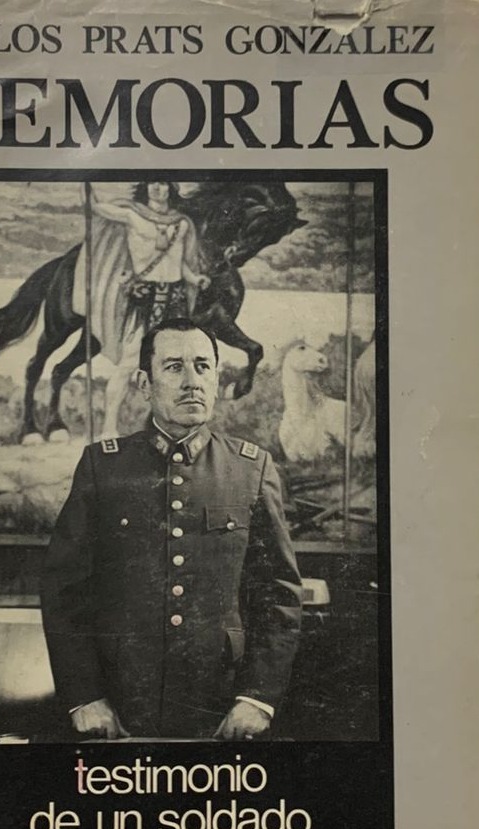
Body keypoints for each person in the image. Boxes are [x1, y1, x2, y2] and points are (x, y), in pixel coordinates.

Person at [40, 319, 302, 740]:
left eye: (203, 366)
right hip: (118, 708)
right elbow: (64, 591)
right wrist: (84, 696)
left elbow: (279, 595)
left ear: (216, 379)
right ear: (145, 384)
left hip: (223, 709)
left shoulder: (251, 469)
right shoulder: (103, 467)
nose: (192, 381)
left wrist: (257, 698)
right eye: (174, 367)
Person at [74, 181, 210, 438]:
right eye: (152, 184)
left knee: (180, 363)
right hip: (145, 298)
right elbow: (96, 209)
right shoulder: (132, 216)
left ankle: (177, 427)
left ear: (170, 189)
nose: (157, 189)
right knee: (129, 363)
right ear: (146, 188)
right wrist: (85, 187)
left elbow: (179, 262)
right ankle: (109, 428)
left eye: (163, 184)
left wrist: (194, 278)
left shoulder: (181, 223)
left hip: (176, 299)